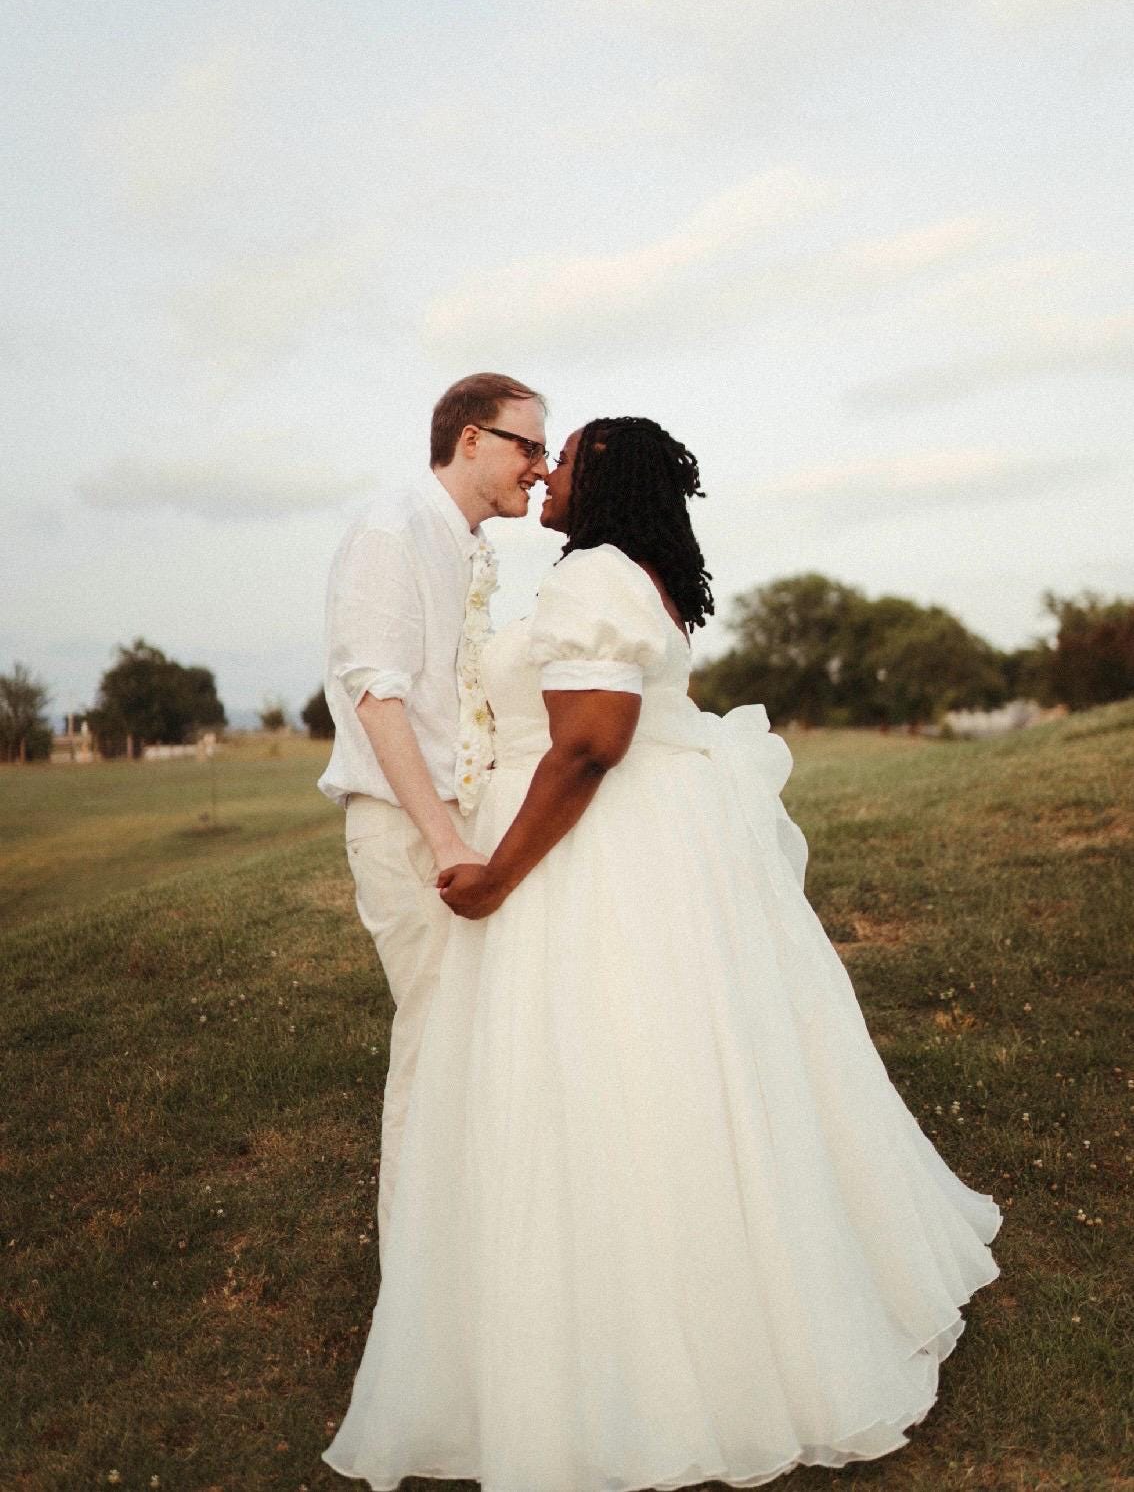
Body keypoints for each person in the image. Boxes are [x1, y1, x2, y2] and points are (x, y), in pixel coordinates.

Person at [324, 416, 1001, 1491]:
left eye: (568, 455)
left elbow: (592, 741)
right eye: (537, 452)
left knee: (607, 1083)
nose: (547, 473)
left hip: (594, 866)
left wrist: (498, 874)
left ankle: (642, 1358)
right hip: (650, 852)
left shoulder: (594, 573)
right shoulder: (637, 571)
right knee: (667, 1078)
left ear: (604, 482)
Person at [317, 373, 548, 1258]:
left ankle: (474, 1258)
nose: (541, 465)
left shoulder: (462, 540)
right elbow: (378, 698)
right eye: (529, 446)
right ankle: (415, 1278)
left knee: (474, 1042)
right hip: (411, 828)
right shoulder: (392, 530)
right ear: (471, 441)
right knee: (432, 1043)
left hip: (459, 818)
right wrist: (446, 836)